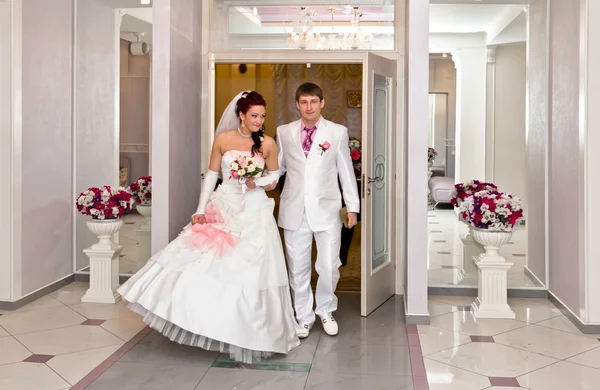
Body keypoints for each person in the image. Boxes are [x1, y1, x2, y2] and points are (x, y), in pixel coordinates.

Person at [117, 91, 301, 363]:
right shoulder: (223, 140)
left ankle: (254, 330)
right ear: (241, 114)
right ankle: (212, 323)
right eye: (254, 115)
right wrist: (200, 209)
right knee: (208, 265)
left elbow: (274, 177)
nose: (259, 121)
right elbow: (212, 176)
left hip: (255, 211)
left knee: (254, 272)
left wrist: (257, 182)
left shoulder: (268, 144)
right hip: (224, 205)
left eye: (262, 116)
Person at [274, 82, 360, 337]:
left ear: (322, 103)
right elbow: (278, 169)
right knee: (297, 267)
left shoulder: (337, 132)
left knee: (329, 266)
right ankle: (303, 317)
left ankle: (325, 310)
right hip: (294, 209)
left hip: (328, 210)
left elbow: (345, 171)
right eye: (304, 102)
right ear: (297, 104)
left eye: (313, 102)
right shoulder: (284, 132)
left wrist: (352, 207)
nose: (308, 107)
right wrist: (254, 180)